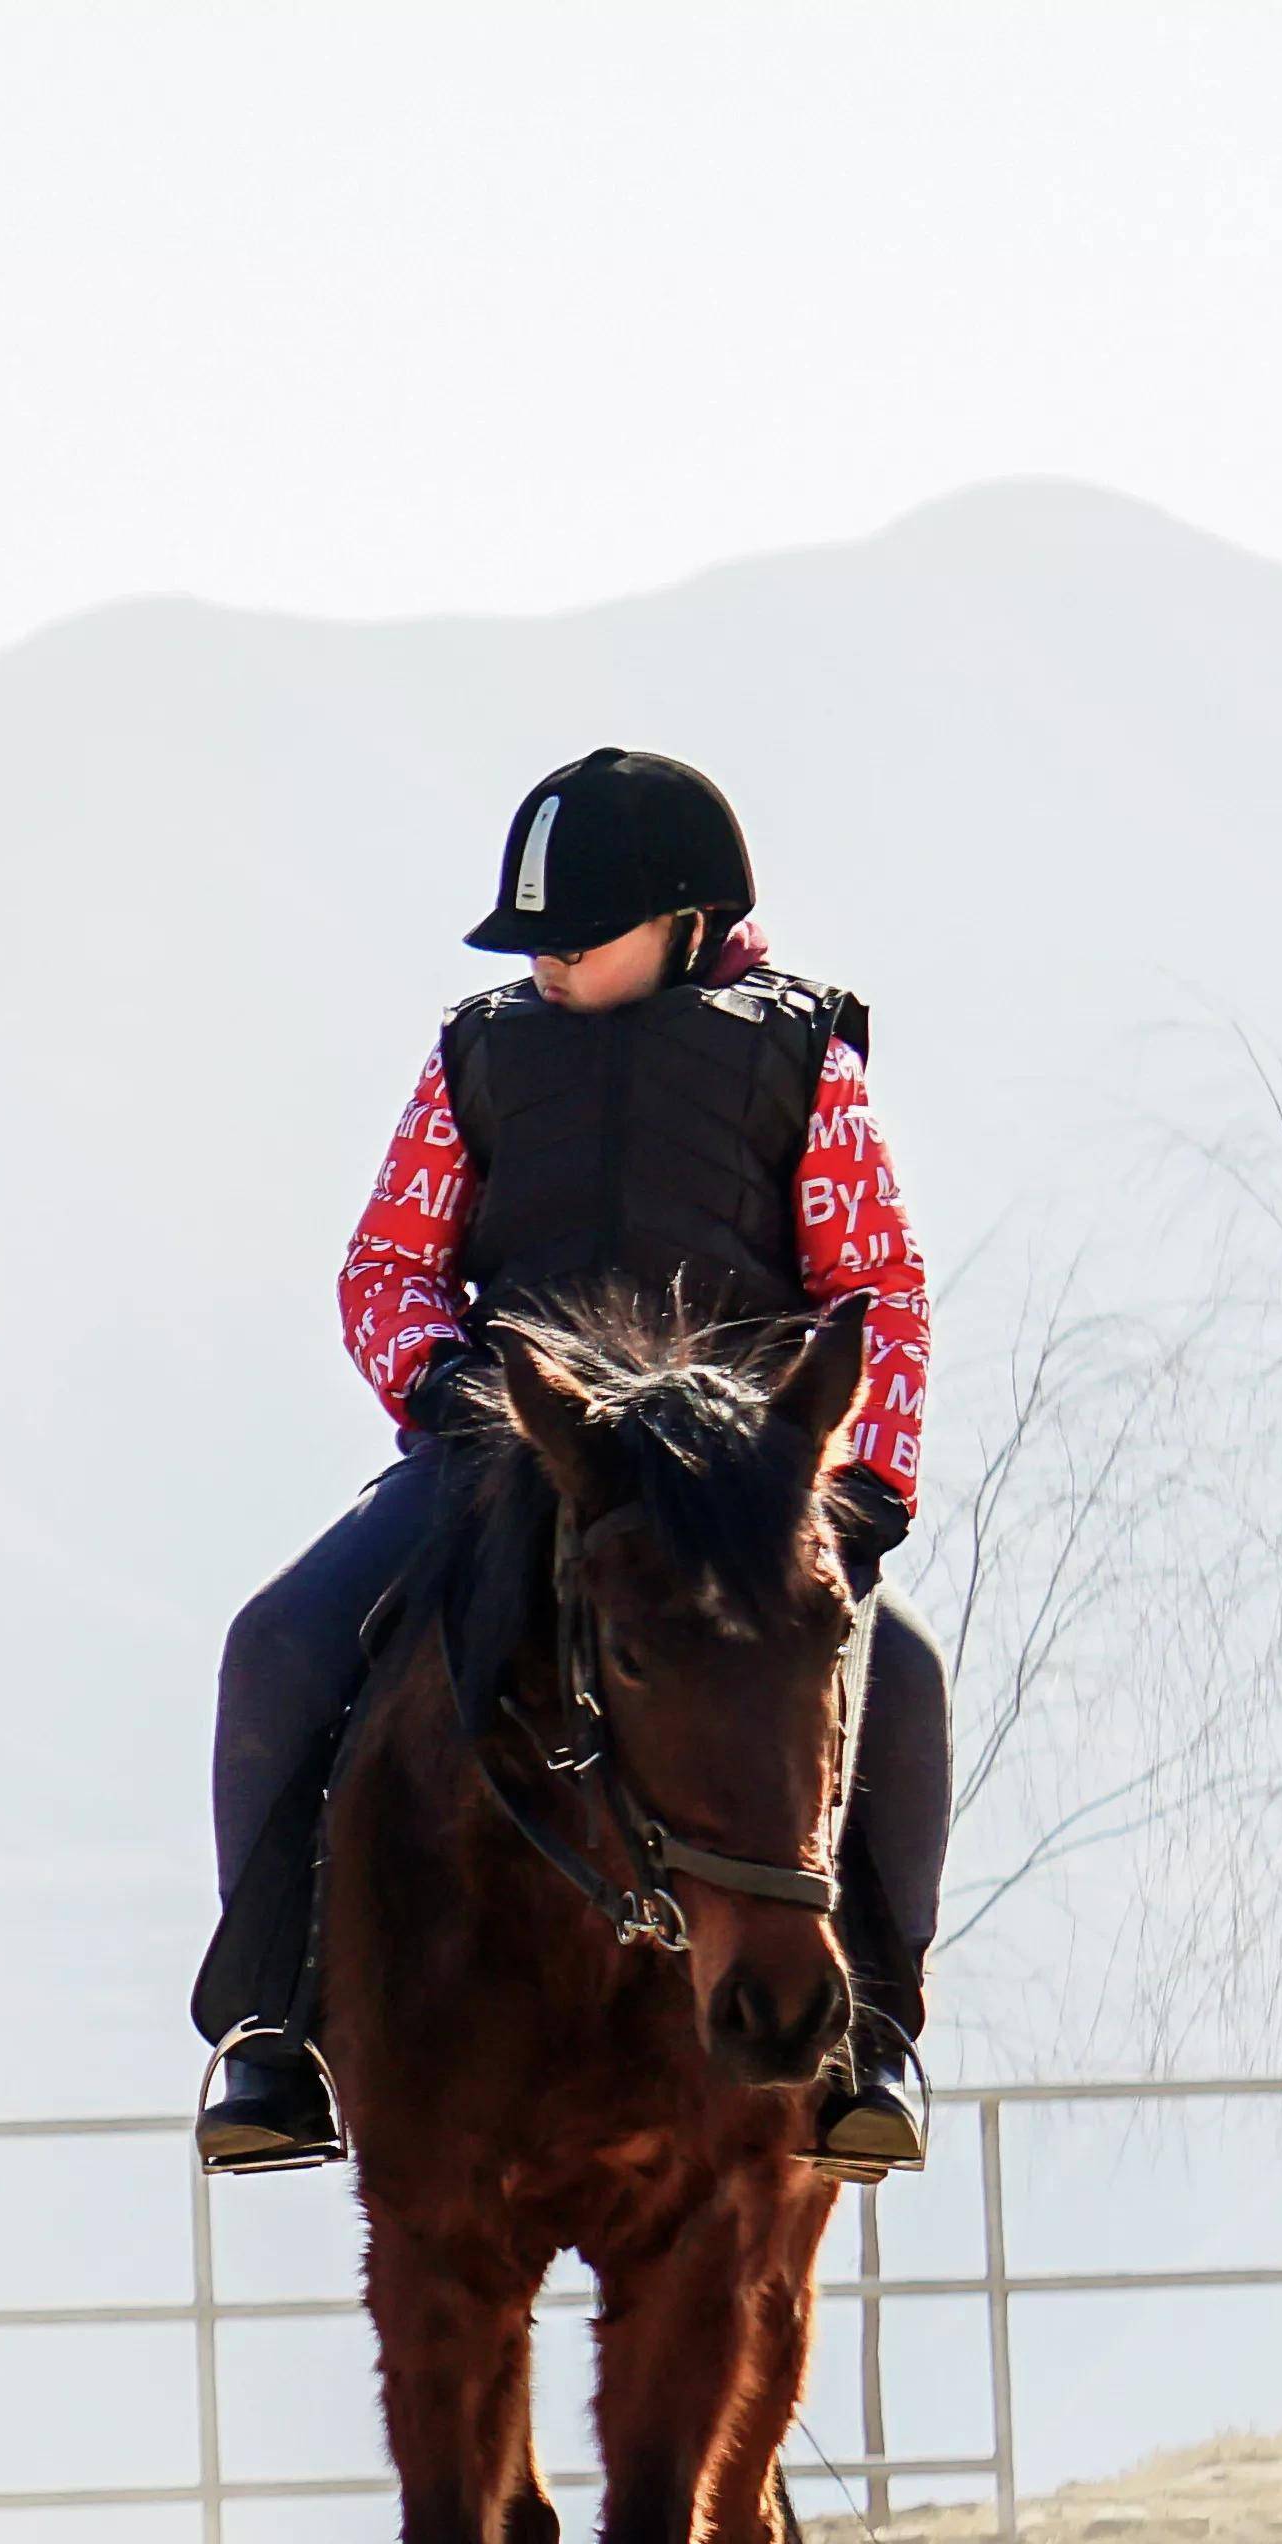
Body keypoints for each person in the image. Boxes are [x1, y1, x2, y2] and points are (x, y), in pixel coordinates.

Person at [192, 747, 952, 2180]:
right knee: (279, 1642)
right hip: (509, 1454)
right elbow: (387, 1267)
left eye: (573, 936)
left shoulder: (805, 1059)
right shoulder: (473, 1050)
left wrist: (853, 1496)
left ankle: (881, 2037)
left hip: (735, 1486)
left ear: (682, 923)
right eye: (526, 938)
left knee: (897, 1676)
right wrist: (446, 1386)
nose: (542, 962)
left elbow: (877, 1288)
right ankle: (274, 2031)